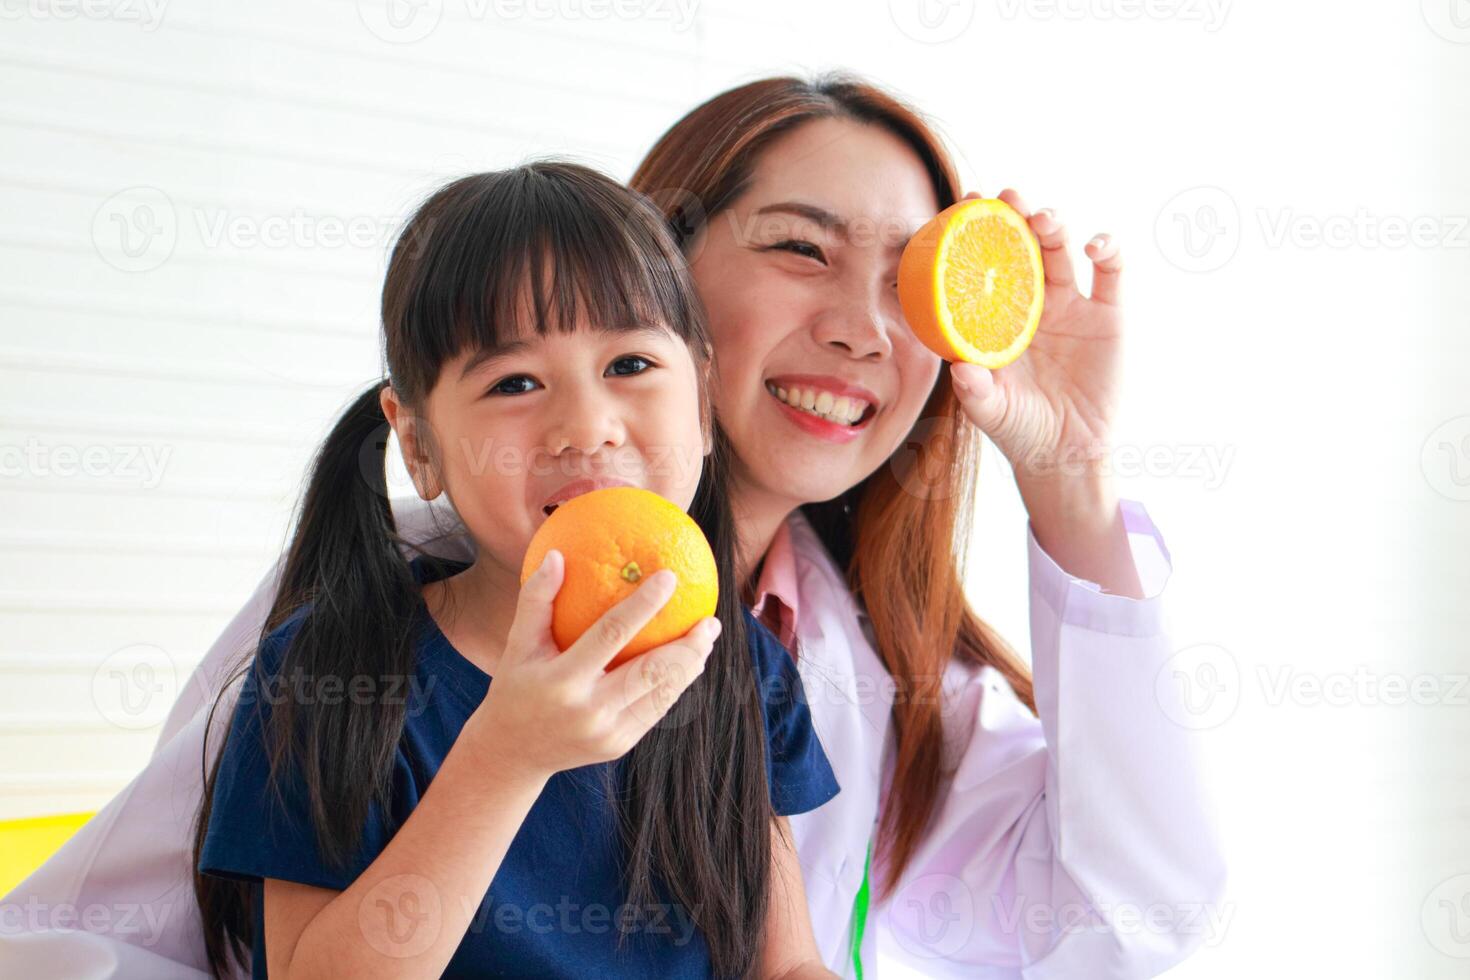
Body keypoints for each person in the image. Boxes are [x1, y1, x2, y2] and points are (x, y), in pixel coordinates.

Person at [0, 74, 1224, 980]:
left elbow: (1127, 927)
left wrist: (1071, 475)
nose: (864, 328)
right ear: (665, 264)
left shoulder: (808, 667)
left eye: (908, 283)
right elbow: (112, 942)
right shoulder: (357, 636)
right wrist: (503, 753)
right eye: (801, 249)